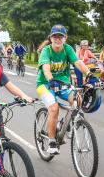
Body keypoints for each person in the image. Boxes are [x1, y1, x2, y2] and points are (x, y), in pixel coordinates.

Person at [36, 25, 99, 155]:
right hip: (45, 84)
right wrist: (51, 80)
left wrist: (89, 75)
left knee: (78, 100)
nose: (58, 39)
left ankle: (67, 123)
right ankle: (52, 141)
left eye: (61, 36)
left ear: (65, 38)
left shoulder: (68, 49)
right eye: (55, 36)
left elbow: (78, 63)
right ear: (51, 38)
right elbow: (46, 68)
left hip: (63, 84)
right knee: (54, 108)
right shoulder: (46, 51)